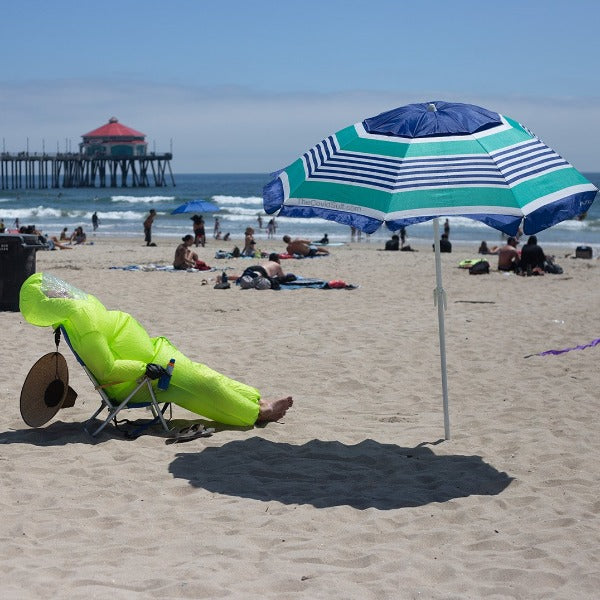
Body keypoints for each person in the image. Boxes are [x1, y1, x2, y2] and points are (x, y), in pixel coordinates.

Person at [19, 272, 293, 426]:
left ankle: (257, 399)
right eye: (50, 292)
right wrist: (143, 368)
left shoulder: (78, 310)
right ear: (48, 301)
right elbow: (106, 369)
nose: (56, 289)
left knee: (204, 373)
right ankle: (256, 414)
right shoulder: (81, 320)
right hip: (141, 377)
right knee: (203, 385)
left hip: (155, 354)